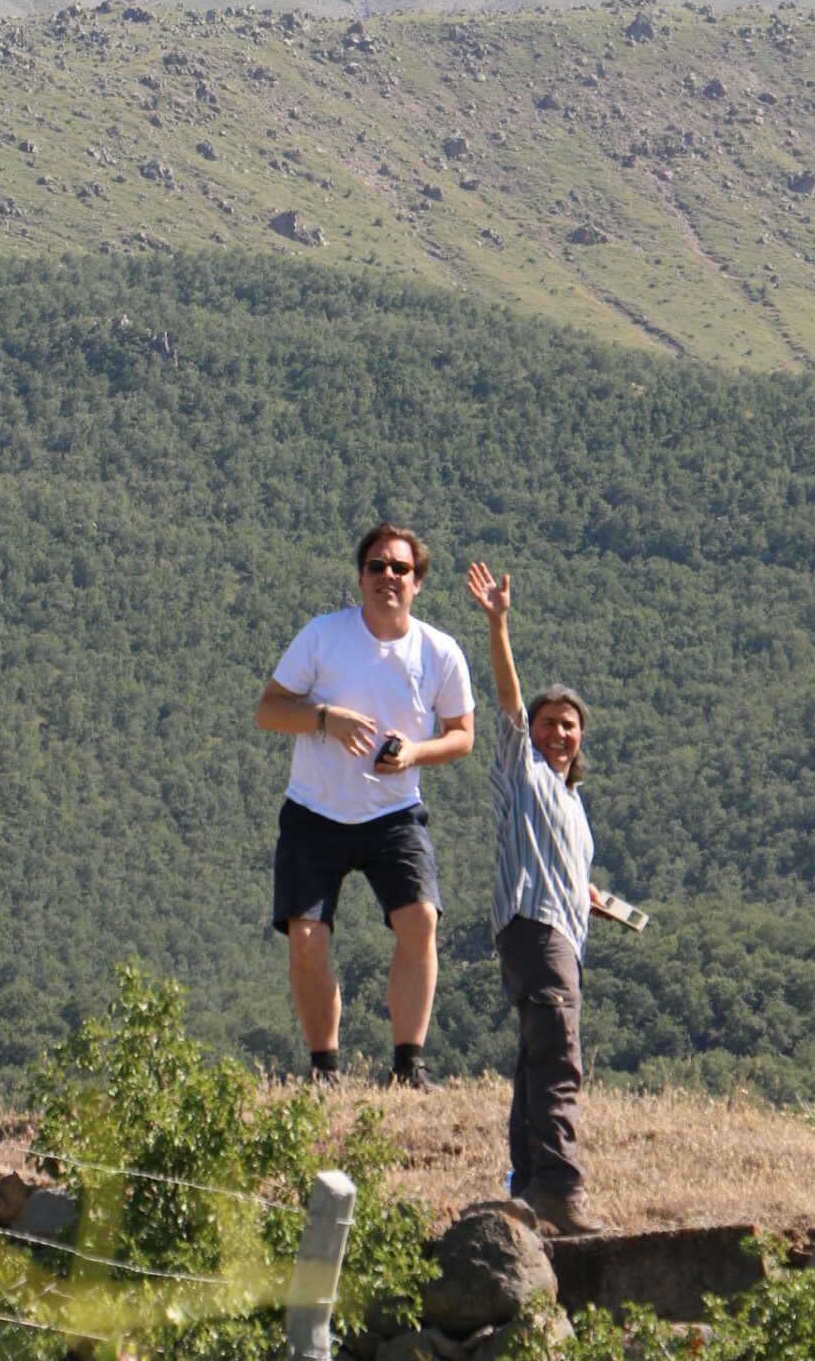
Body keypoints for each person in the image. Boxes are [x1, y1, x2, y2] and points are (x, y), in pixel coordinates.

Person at [256, 523, 475, 1089]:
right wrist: (327, 719)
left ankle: (408, 1065)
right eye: (376, 566)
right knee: (306, 937)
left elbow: (463, 734)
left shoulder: (439, 650)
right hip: (314, 811)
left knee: (420, 921)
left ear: (418, 582)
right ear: (359, 577)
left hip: (394, 814)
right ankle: (324, 1068)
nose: (387, 577)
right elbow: (270, 710)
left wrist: (415, 755)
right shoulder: (323, 637)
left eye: (399, 568)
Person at [465, 559, 602, 1235]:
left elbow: (563, 866)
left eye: (568, 725)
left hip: (557, 930)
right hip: (536, 929)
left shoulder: (572, 805)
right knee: (557, 1056)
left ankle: (524, 1185)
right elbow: (507, 701)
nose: (556, 732)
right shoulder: (525, 773)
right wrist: (498, 625)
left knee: (532, 1060)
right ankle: (559, 1190)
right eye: (549, 723)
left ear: (581, 741)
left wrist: (588, 893)